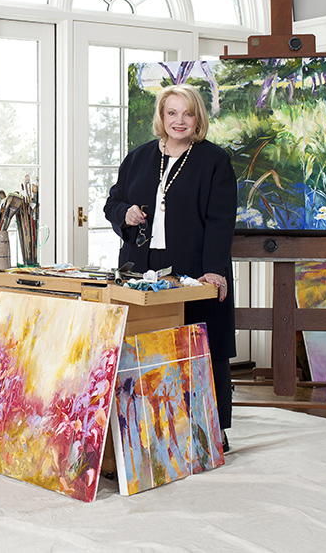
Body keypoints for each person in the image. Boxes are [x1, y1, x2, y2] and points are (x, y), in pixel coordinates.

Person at [104, 84, 237, 451]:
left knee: (206, 346)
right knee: (146, 342)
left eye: (187, 114)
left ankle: (214, 429)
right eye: (172, 113)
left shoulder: (214, 161)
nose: (179, 121)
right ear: (161, 118)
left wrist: (214, 270)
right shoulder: (138, 157)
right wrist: (125, 214)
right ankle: (151, 426)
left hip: (196, 267)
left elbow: (220, 220)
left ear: (198, 119)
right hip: (143, 267)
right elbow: (112, 203)